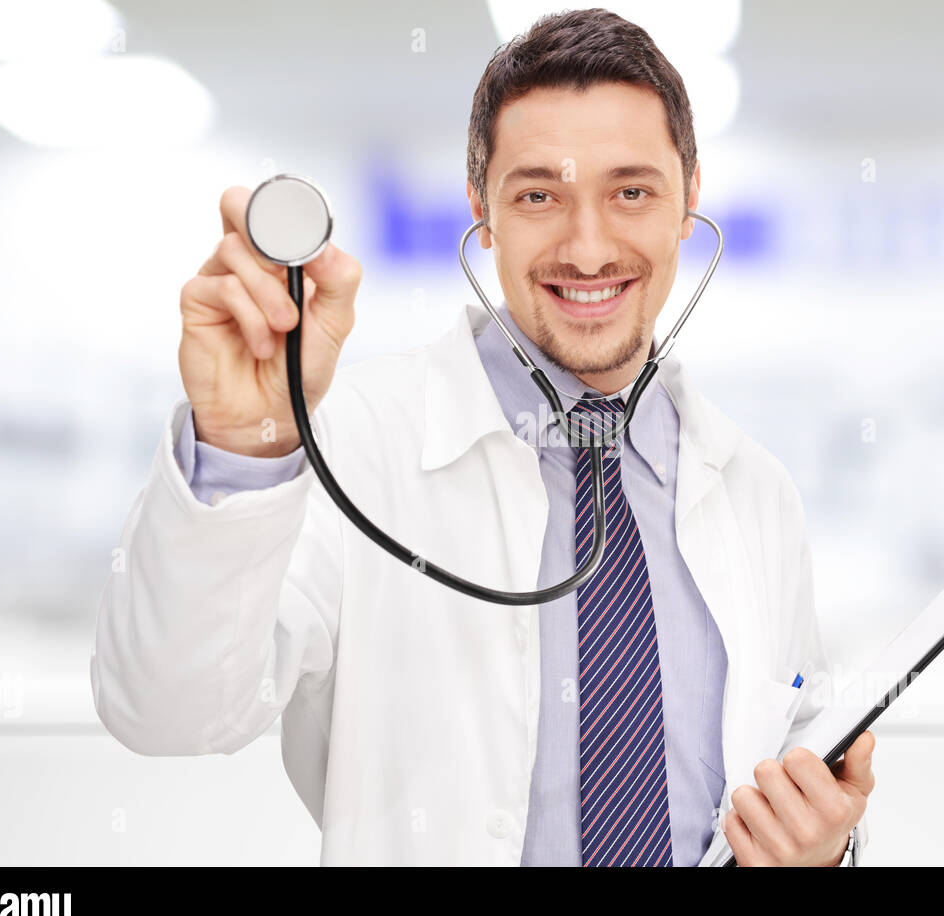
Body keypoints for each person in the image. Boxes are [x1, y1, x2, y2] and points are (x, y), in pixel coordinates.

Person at [91, 7, 874, 867]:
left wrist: (825, 854)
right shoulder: (355, 446)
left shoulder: (755, 491)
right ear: (482, 210)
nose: (587, 248)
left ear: (689, 198)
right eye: (539, 194)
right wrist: (242, 444)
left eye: (632, 191)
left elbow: (798, 766)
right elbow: (168, 712)